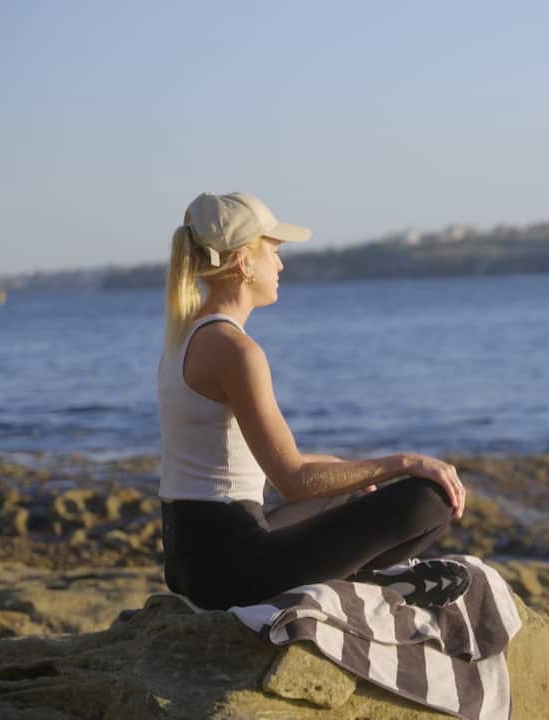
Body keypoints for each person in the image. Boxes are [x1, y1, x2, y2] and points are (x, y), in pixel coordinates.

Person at [158, 191, 470, 611]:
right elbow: (292, 479)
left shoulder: (185, 338)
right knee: (431, 497)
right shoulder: (235, 350)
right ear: (244, 263)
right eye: (273, 250)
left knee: (347, 485)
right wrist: (404, 462)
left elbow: (243, 465)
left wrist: (351, 472)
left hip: (191, 562)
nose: (281, 264)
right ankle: (366, 582)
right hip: (231, 572)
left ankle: (371, 578)